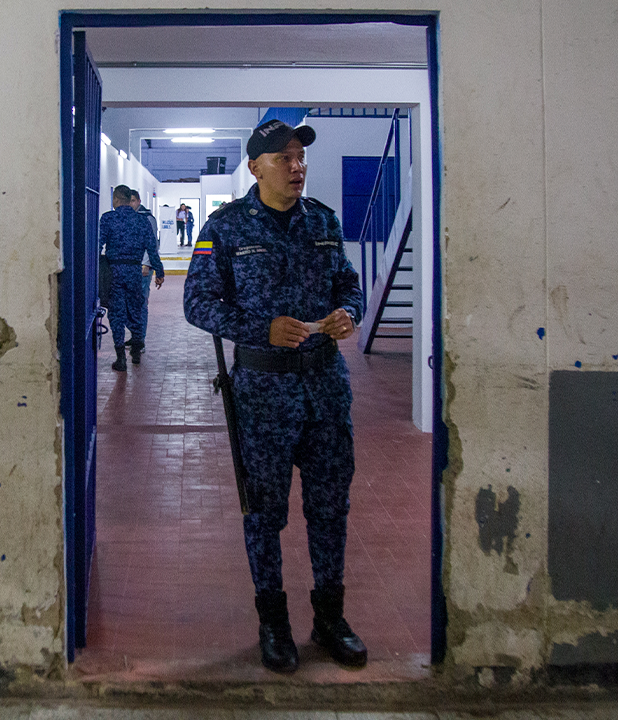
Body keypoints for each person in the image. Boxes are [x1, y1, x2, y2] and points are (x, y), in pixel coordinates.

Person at [183, 119, 366, 674]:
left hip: (325, 387)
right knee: (264, 513)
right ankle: (273, 621)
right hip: (262, 394)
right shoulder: (226, 227)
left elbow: (349, 286)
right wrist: (260, 329)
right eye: (283, 158)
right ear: (255, 166)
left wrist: (348, 314)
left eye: (300, 157)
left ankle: (329, 617)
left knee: (330, 507)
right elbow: (198, 302)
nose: (296, 166)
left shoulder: (325, 223)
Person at [99, 185, 164, 371]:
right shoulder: (142, 221)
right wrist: (159, 272)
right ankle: (136, 351)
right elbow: (152, 249)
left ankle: (120, 359)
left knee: (116, 314)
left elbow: (98, 244)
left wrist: (93, 269)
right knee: (136, 310)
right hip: (135, 271)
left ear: (116, 199)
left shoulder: (108, 218)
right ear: (130, 199)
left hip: (114, 271)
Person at [127, 189, 159, 348]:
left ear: (138, 201)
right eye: (128, 201)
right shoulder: (127, 218)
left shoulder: (147, 218)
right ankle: (135, 335)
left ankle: (140, 340)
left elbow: (152, 244)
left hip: (142, 268)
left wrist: (146, 263)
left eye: (133, 201)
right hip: (129, 266)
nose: (131, 204)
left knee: (140, 303)